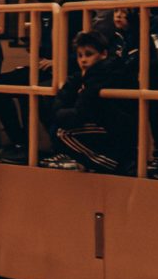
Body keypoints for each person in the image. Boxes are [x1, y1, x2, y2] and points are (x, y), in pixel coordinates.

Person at [49, 30, 135, 173]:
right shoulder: (80, 77)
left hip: (115, 131)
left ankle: (113, 164)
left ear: (103, 54)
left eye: (89, 54)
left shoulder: (106, 74)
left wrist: (60, 114)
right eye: (80, 55)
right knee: (58, 127)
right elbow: (60, 102)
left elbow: (80, 112)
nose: (83, 60)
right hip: (101, 125)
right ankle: (79, 160)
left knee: (63, 133)